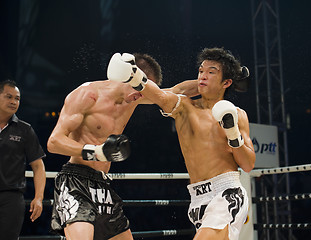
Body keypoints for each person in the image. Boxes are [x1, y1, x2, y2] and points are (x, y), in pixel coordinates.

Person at [107, 47, 256, 240]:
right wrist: (134, 76)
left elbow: (248, 164)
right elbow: (160, 96)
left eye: (211, 72)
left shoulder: (238, 114)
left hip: (227, 194)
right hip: (198, 199)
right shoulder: (185, 106)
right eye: (201, 71)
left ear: (226, 82)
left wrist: (233, 134)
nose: (203, 76)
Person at [47, 53, 198, 240]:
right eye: (139, 88)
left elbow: (177, 90)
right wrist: (96, 152)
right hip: (75, 181)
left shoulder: (134, 97)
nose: (141, 96)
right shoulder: (87, 95)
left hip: (102, 183)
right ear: (128, 75)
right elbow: (54, 142)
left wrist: (216, 81)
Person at [0, 79, 46, 240]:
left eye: (17, 98)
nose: (13, 102)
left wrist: (39, 198)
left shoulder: (25, 130)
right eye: (9, 97)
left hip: (11, 198)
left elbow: (38, 166)